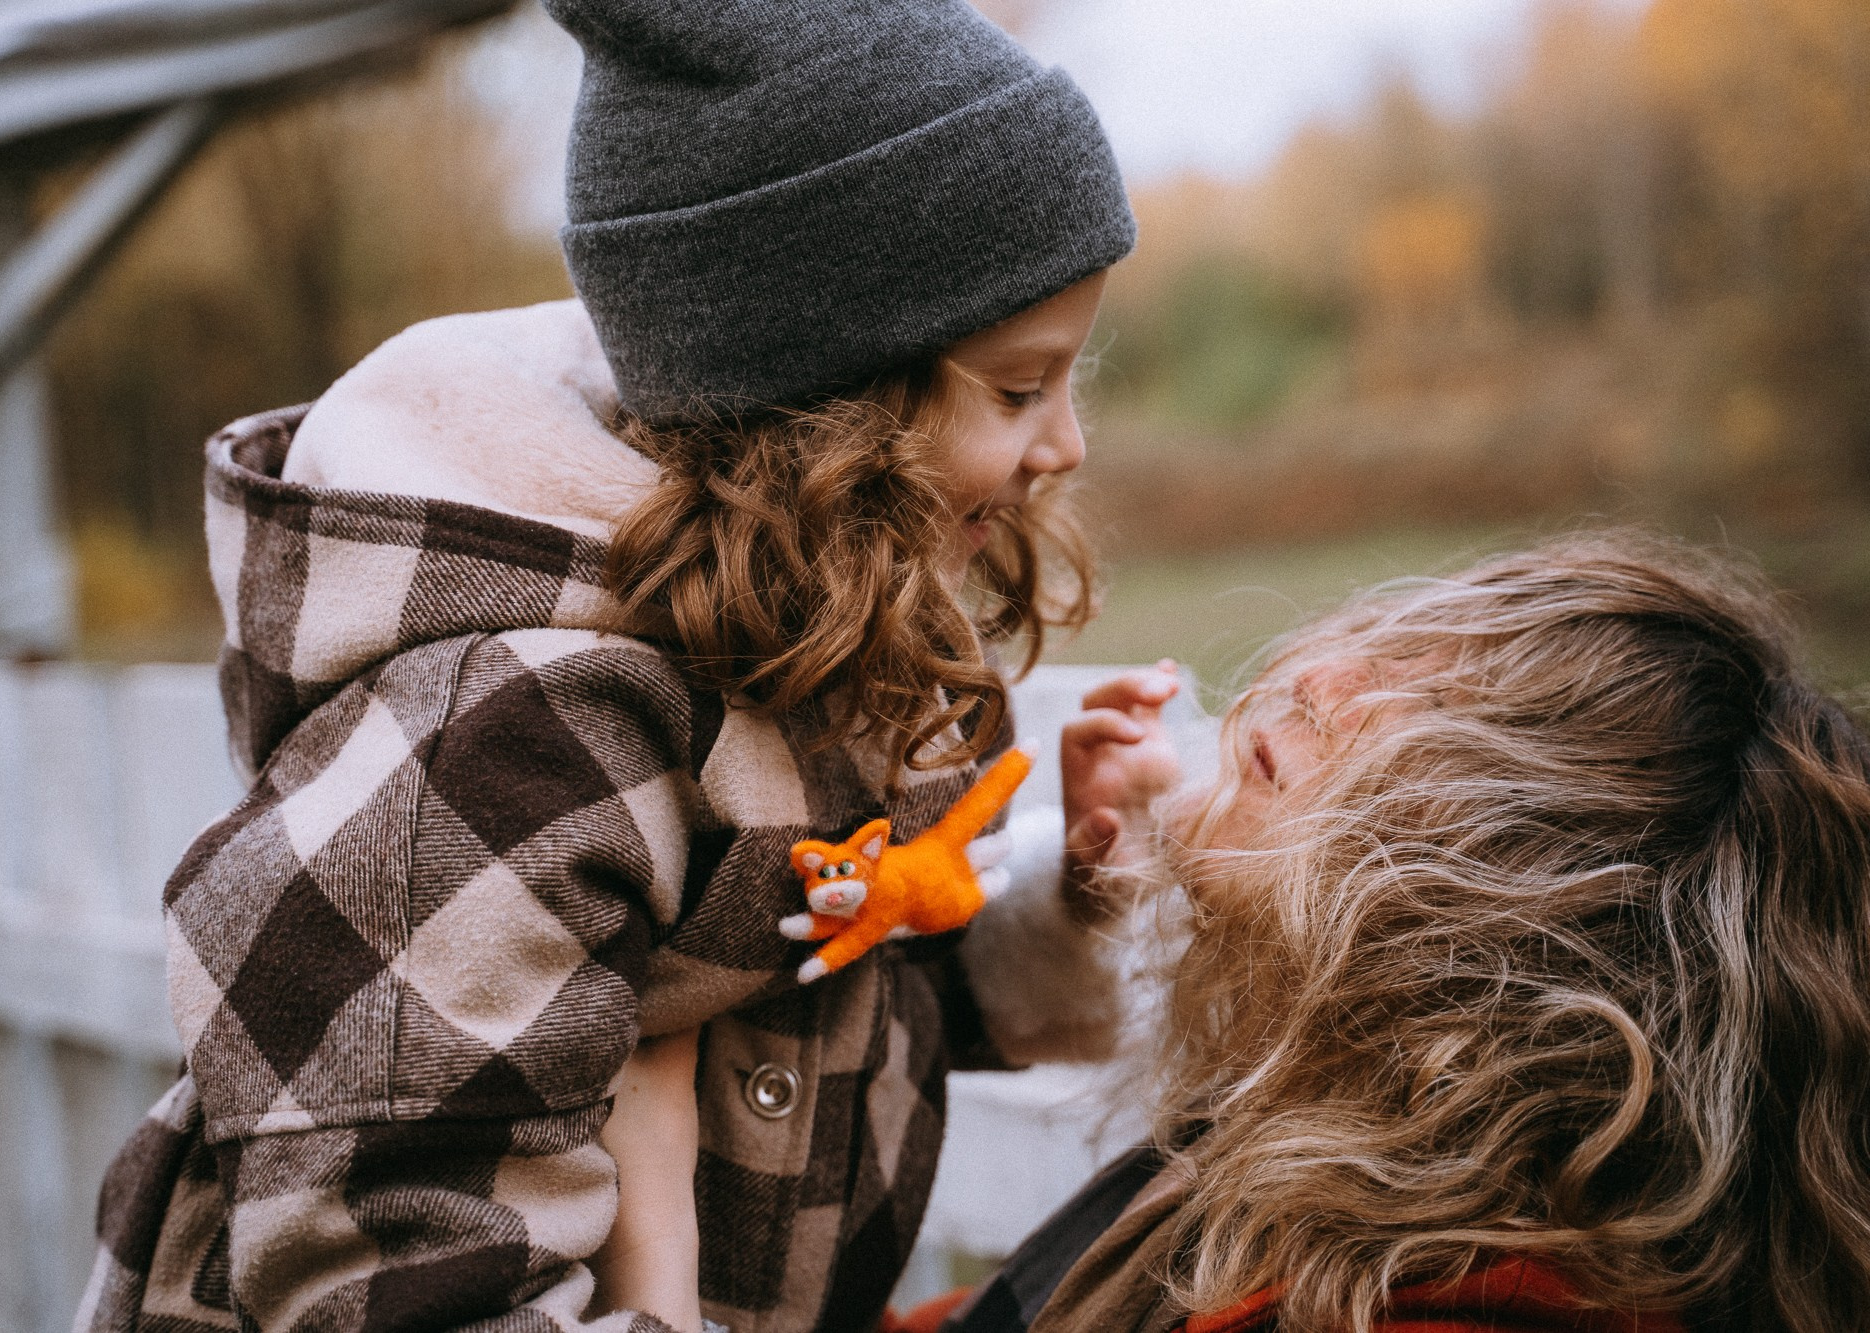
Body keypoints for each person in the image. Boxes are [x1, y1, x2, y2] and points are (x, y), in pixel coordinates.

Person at [73, 3, 1184, 1332]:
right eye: (1016, 389)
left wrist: (1060, 899)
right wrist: (657, 1285)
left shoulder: (781, 636)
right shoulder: (503, 745)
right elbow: (393, 1269)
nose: (1066, 445)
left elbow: (817, 987)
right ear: (829, 405)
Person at [913, 535, 1870, 1333]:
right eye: (1391, 649)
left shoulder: (1434, 1307)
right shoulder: (1298, 1179)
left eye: (1435, 718)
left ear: (1528, 911)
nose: (1319, 679)